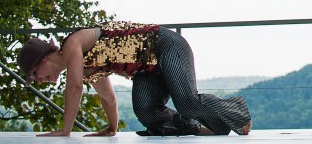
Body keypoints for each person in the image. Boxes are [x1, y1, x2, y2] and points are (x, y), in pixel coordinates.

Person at [16, 21, 251, 137]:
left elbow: (74, 87)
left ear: (44, 58)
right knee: (147, 112)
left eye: (35, 74)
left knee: (185, 101)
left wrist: (65, 130)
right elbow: (108, 97)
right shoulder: (85, 67)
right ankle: (204, 127)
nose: (39, 80)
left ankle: (236, 112)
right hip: (148, 70)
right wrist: (111, 128)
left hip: (165, 45)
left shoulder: (73, 43)